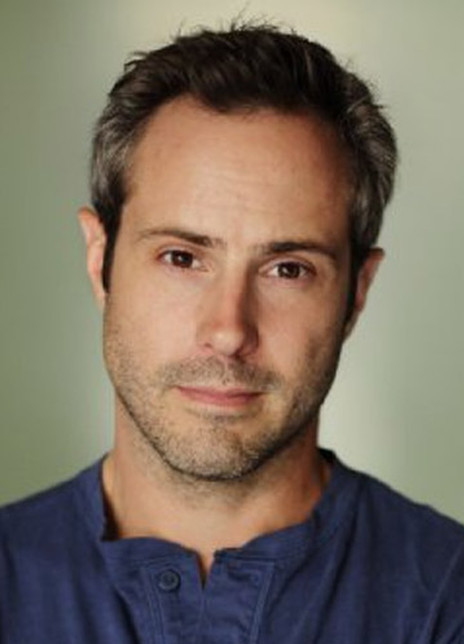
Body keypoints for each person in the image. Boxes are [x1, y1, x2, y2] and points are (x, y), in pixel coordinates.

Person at [1, 23, 463, 644]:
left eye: (288, 269)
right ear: (99, 261)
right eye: (181, 258)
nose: (227, 330)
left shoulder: (446, 601)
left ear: (357, 292)